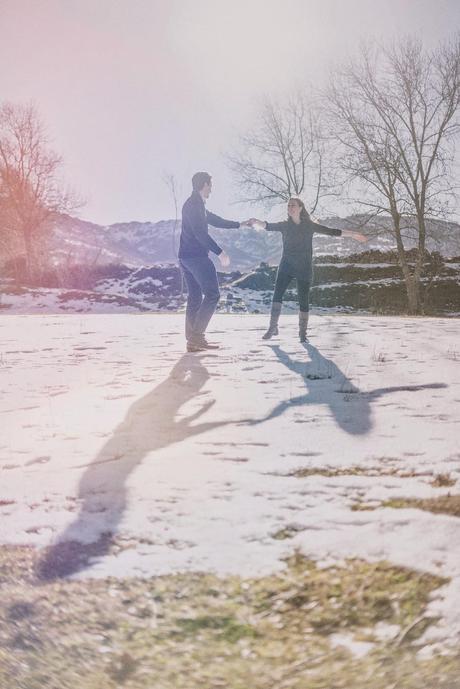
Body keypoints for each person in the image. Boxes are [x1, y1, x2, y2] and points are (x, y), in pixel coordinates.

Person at [253, 198, 367, 342]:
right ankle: (272, 327)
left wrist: (352, 234)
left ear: (300, 208)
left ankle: (302, 333)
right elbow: (269, 226)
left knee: (303, 300)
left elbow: (331, 231)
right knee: (277, 295)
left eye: (293, 205)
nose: (290, 208)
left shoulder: (309, 226)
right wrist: (257, 222)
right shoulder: (285, 225)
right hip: (286, 266)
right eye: (288, 206)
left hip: (304, 267)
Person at [179, 172, 251, 352]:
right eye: (210, 184)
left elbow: (216, 221)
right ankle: (196, 337)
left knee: (195, 297)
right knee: (212, 295)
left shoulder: (196, 204)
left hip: (186, 258)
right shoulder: (194, 205)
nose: (211, 188)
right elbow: (200, 234)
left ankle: (192, 339)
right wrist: (220, 252)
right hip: (196, 258)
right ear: (204, 184)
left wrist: (240, 224)